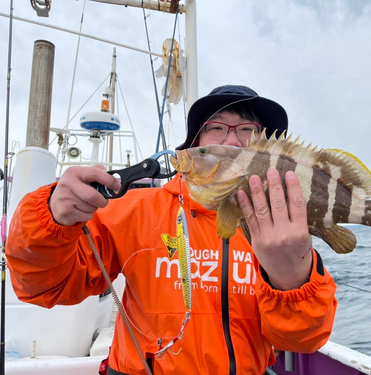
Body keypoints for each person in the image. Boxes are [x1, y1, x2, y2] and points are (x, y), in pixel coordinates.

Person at [6, 85, 337, 375]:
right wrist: (51, 218)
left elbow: (301, 340)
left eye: (249, 129)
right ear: (193, 146)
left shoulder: (283, 230)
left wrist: (292, 277)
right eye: (217, 128)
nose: (234, 140)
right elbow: (43, 286)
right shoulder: (135, 210)